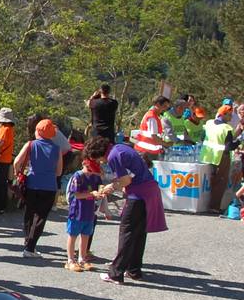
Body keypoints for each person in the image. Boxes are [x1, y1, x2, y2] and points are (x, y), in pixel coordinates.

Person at [99, 138, 167, 285]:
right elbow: (131, 175)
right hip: (149, 191)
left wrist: (111, 187)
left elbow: (125, 181)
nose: (101, 162)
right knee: (139, 232)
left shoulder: (112, 156)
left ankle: (116, 273)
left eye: (99, 159)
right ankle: (134, 270)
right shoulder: (121, 148)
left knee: (127, 232)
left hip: (138, 194)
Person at [12, 118, 63, 258]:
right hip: (49, 186)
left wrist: (18, 173)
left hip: (32, 183)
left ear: (38, 132)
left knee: (29, 213)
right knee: (40, 217)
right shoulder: (56, 149)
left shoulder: (31, 144)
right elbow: (59, 172)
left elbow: (17, 161)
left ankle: (27, 242)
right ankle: (30, 247)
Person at [64, 143, 104, 271]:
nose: (92, 172)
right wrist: (91, 194)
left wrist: (100, 194)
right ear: (84, 164)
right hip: (77, 211)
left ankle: (82, 258)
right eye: (90, 169)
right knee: (73, 235)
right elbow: (76, 194)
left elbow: (99, 188)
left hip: (89, 211)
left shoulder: (95, 177)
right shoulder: (78, 176)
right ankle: (70, 260)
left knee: (86, 235)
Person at [202, 105, 236, 212]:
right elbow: (229, 146)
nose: (231, 118)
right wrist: (239, 142)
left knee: (208, 181)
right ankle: (214, 207)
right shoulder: (227, 128)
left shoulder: (209, 123)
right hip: (221, 157)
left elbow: (202, 138)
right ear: (223, 114)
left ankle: (204, 204)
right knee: (220, 182)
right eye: (229, 115)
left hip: (206, 156)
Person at [131, 96, 172, 161]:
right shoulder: (152, 117)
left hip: (148, 151)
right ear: (158, 104)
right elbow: (154, 136)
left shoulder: (154, 115)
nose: (165, 109)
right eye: (164, 106)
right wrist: (166, 144)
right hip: (146, 152)